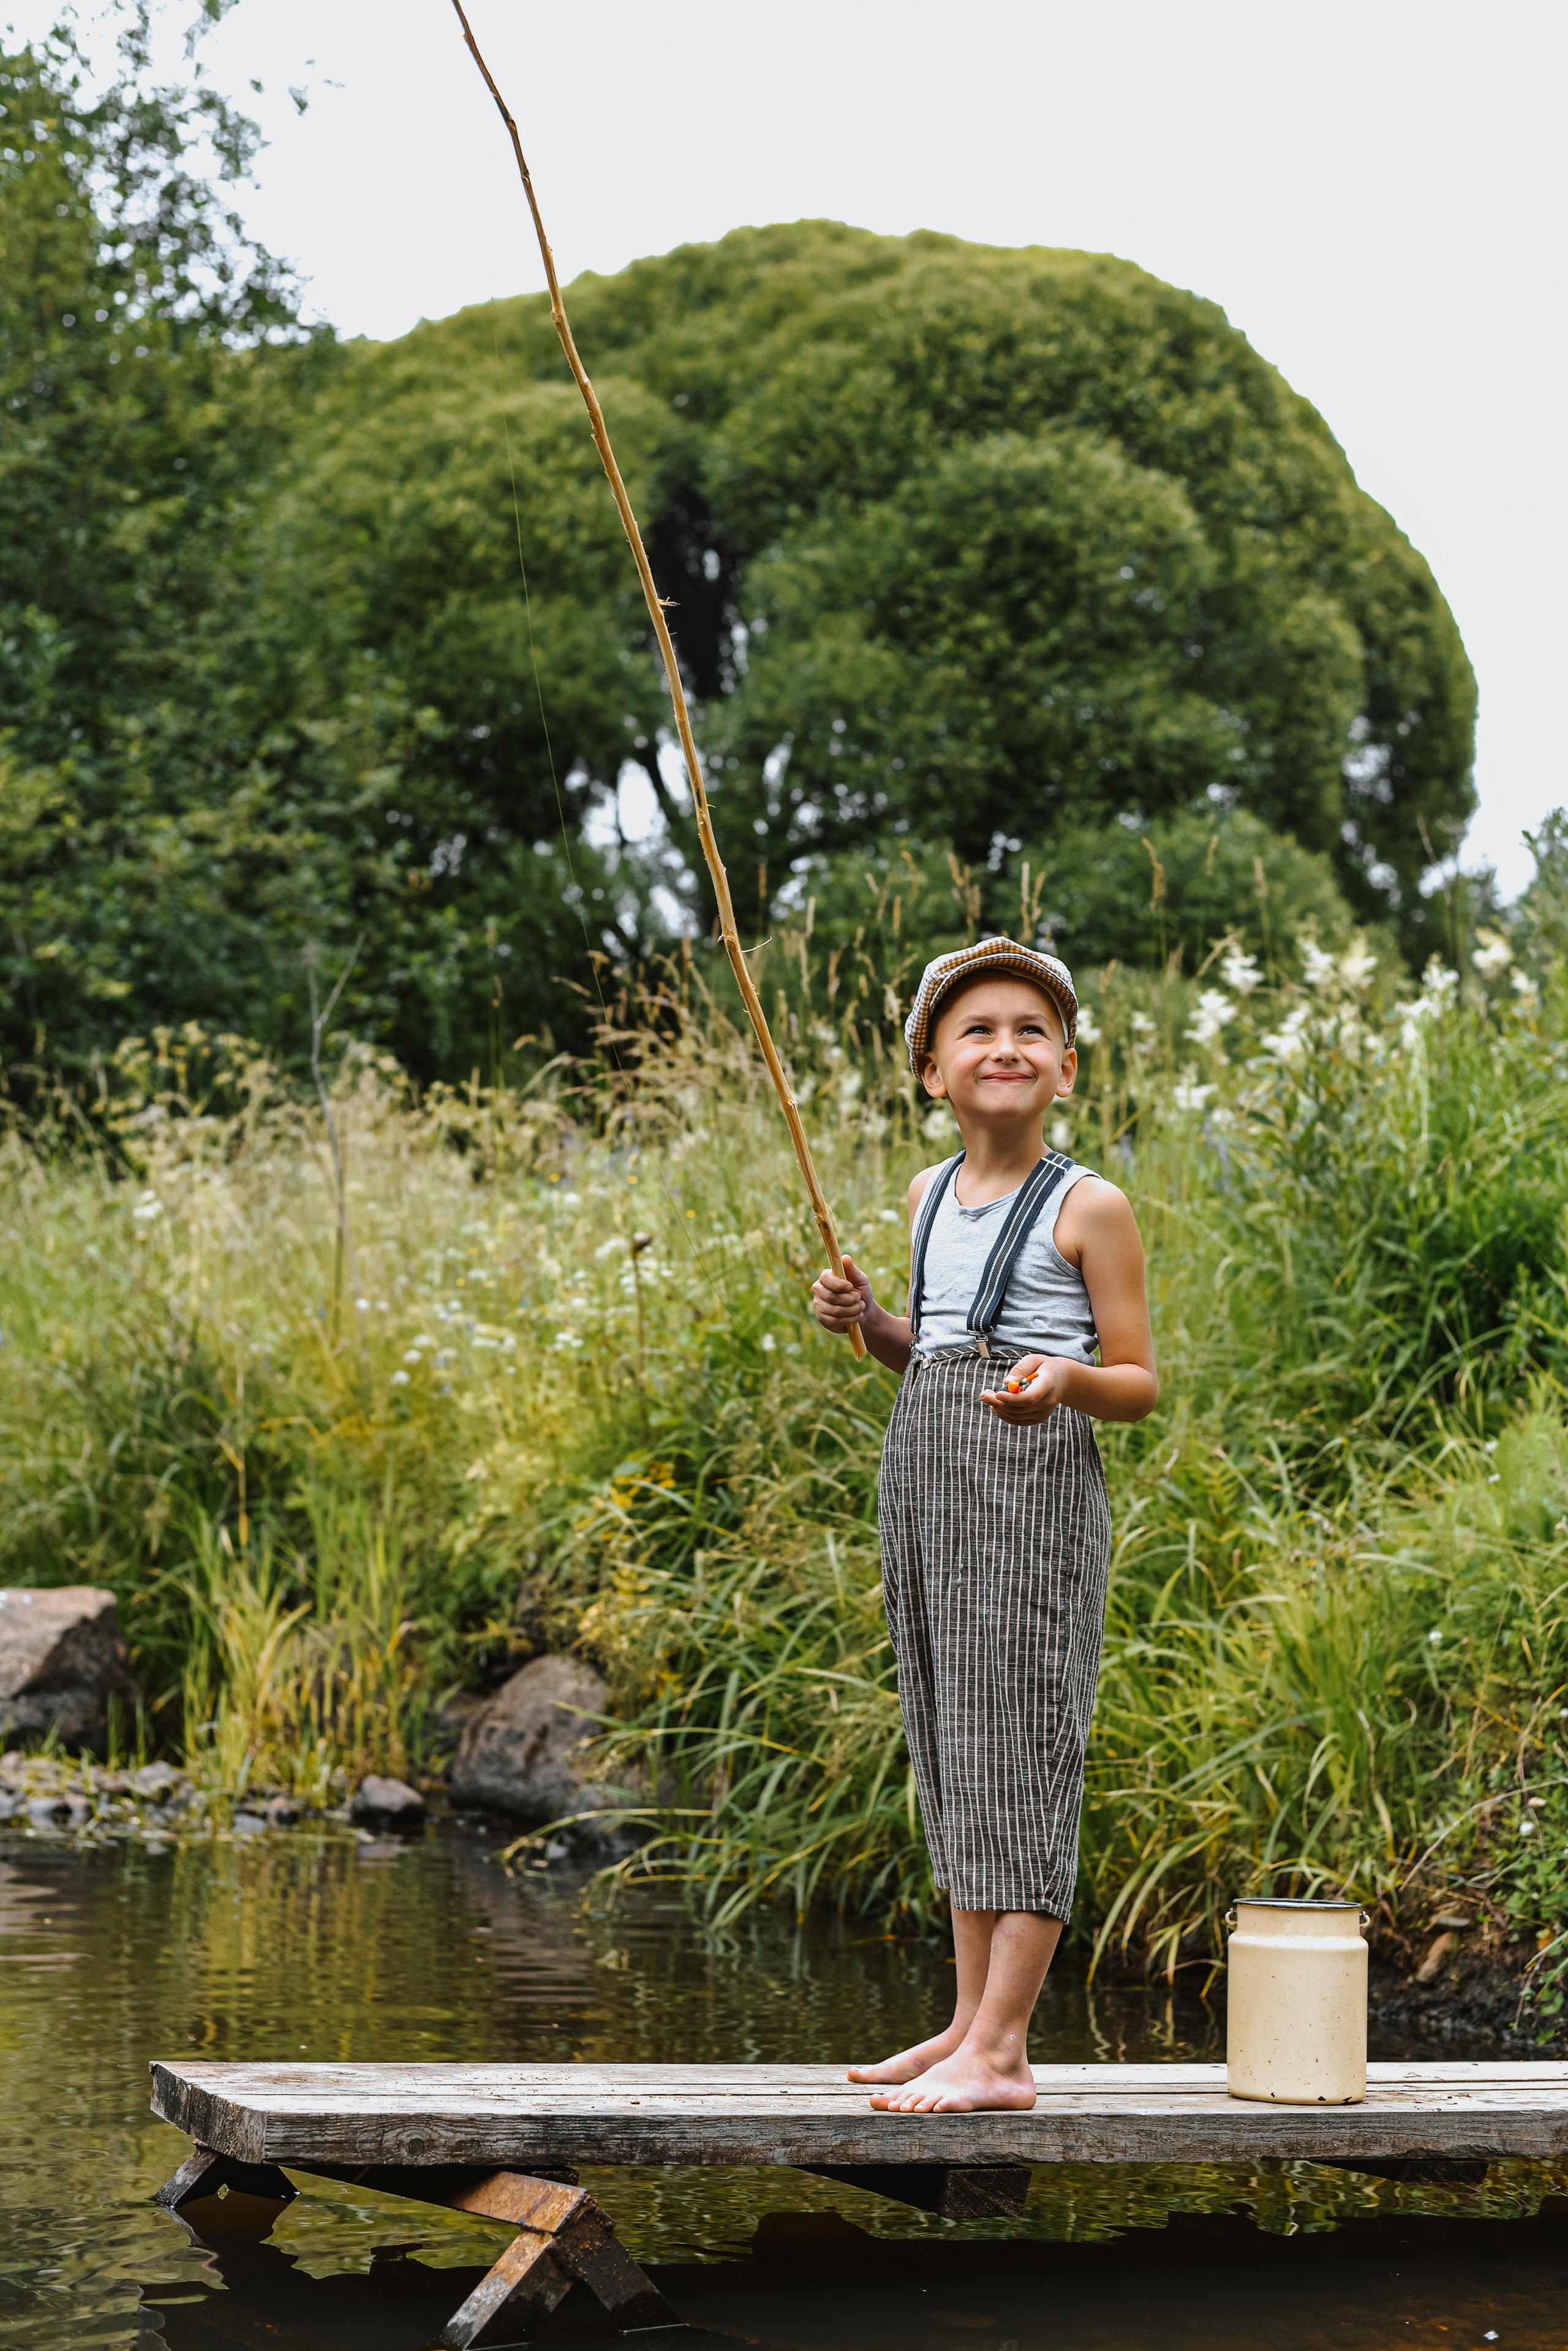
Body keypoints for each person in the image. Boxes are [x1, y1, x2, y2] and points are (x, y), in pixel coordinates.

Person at [812, 937, 1158, 2114]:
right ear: (930, 1070)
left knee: (1024, 1748)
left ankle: (1003, 2051)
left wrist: (1066, 1376)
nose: (1004, 1045)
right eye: (978, 1029)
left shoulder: (1089, 1204)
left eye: (1030, 1030)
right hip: (927, 1483)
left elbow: (1140, 1380)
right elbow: (934, 1353)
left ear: (1065, 1068)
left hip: (1031, 1494)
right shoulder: (924, 1195)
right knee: (956, 1744)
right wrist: (867, 1321)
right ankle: (966, 2023)